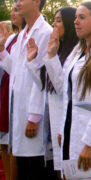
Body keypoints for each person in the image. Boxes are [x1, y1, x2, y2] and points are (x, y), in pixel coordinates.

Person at [44, 2, 91, 179]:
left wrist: (90, 143)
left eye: (82, 17)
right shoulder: (77, 53)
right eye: (76, 17)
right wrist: (52, 56)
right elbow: (64, 91)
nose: (76, 22)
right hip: (71, 134)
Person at [0, 0, 52, 179]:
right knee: (22, 164)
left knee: (34, 167)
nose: (17, 3)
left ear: (37, 2)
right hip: (18, 109)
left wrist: (34, 116)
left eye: (21, 0)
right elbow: (13, 69)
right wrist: (1, 50)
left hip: (32, 114)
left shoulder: (45, 33)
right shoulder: (23, 34)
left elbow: (45, 77)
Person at [26, 6, 79, 172]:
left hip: (68, 122)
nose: (54, 25)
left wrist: (51, 56)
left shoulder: (75, 53)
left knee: (69, 169)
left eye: (59, 20)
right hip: (54, 122)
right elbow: (44, 83)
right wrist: (32, 61)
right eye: (54, 21)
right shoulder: (59, 49)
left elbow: (62, 88)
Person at [0, 5, 25, 179]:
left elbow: (15, 70)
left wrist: (2, 51)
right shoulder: (13, 39)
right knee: (4, 144)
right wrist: (2, 48)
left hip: (17, 95)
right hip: (5, 92)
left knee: (14, 145)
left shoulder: (29, 38)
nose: (12, 13)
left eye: (17, 9)